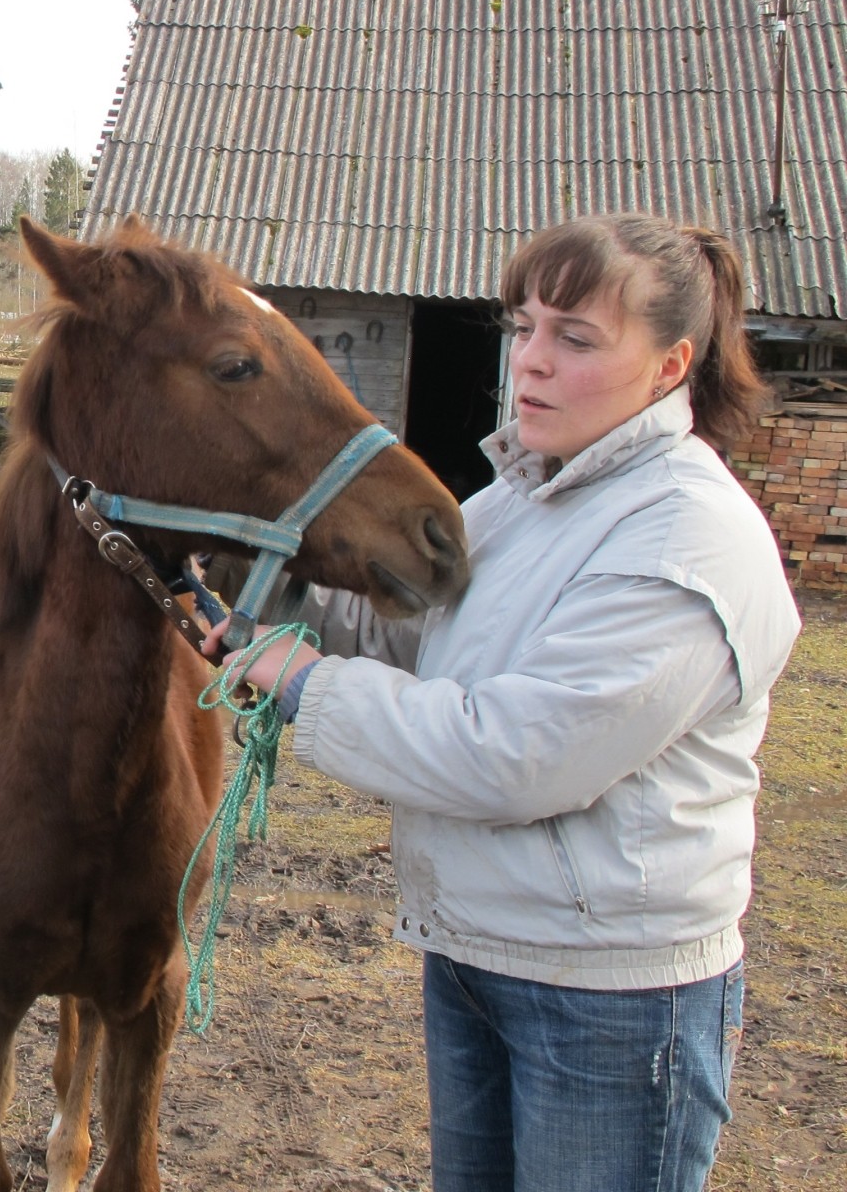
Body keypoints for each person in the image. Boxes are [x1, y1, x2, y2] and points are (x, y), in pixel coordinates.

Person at [214, 215, 799, 1192]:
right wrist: (269, 595)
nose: (527, 361)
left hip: (611, 999)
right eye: (521, 326)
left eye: (573, 339)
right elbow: (409, 634)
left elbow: (512, 756)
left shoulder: (686, 540)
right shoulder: (521, 501)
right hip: (476, 952)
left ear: (668, 368)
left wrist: (304, 684)